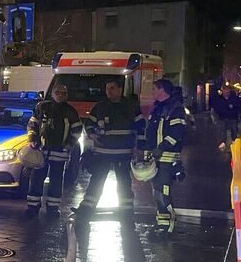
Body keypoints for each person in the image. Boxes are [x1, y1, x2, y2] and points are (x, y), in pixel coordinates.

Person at [78, 79, 145, 216]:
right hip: (102, 152)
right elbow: (89, 123)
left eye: (112, 88)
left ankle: (126, 210)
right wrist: (91, 134)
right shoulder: (100, 106)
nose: (109, 91)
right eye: (107, 88)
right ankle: (86, 209)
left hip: (123, 152)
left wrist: (140, 149)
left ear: (120, 89)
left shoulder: (130, 106)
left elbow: (141, 129)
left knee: (124, 182)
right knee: (96, 181)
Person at [24, 83, 82, 216]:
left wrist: (70, 144)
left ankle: (53, 209)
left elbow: (77, 129)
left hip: (60, 151)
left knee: (56, 180)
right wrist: (32, 139)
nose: (60, 96)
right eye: (58, 93)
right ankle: (33, 207)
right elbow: (32, 124)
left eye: (63, 93)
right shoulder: (42, 107)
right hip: (41, 151)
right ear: (52, 94)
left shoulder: (70, 111)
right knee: (36, 178)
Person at [145, 79, 187, 236]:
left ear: (162, 90)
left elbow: (177, 132)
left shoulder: (174, 108)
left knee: (163, 192)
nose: (152, 92)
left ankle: (168, 225)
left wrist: (161, 148)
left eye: (154, 89)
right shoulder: (159, 107)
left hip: (167, 158)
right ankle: (161, 223)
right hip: (157, 157)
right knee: (157, 192)